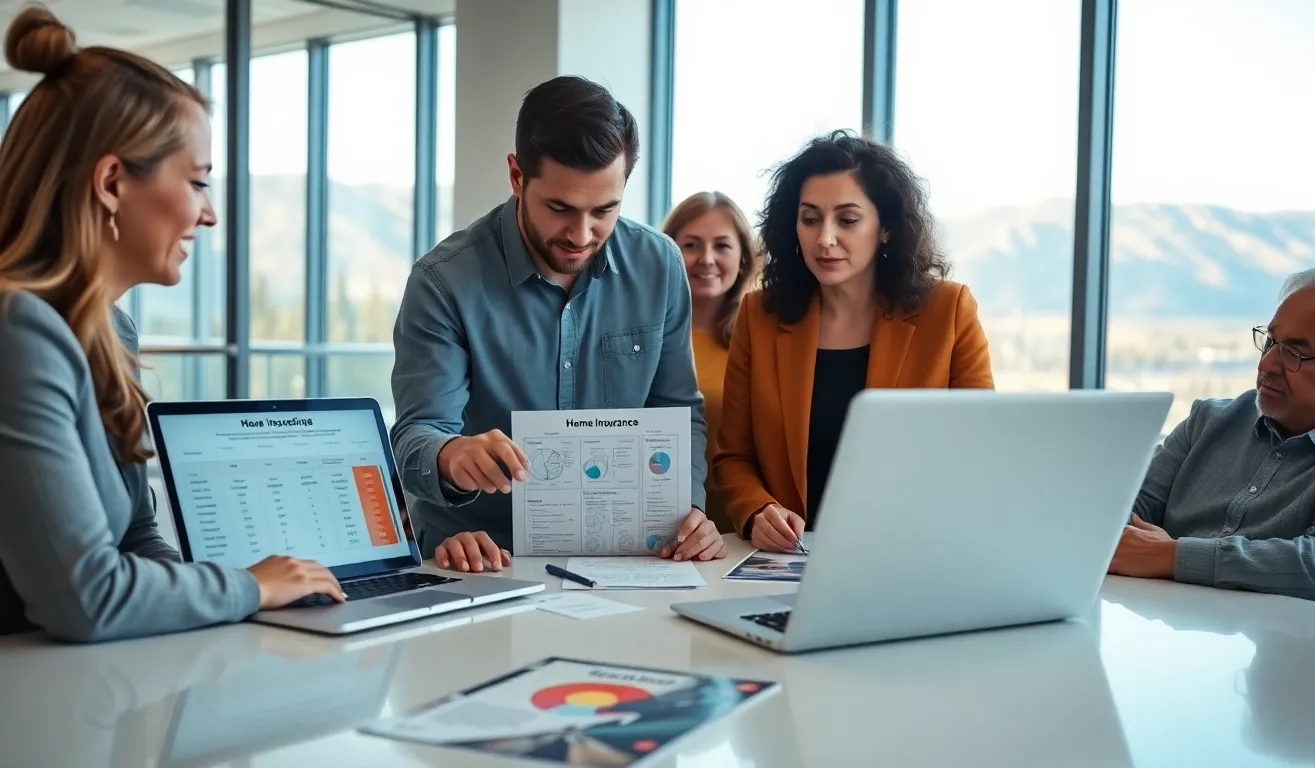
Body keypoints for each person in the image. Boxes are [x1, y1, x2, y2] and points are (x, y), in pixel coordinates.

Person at [0, 8, 345, 642]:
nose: (208, 215)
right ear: (111, 183)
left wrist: (238, 620)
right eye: (196, 182)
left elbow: (134, 534)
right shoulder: (16, 332)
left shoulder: (109, 329)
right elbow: (85, 596)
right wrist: (249, 585)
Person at [391, 76, 726, 572]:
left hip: (627, 560)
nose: (581, 234)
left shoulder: (659, 265)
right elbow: (417, 434)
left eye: (604, 210)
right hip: (479, 558)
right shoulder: (444, 282)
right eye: (560, 208)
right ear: (516, 176)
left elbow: (677, 412)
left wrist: (690, 506)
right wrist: (452, 456)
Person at [713, 130, 995, 553]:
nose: (825, 238)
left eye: (847, 220)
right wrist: (757, 510)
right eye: (810, 219)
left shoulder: (949, 311)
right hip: (790, 561)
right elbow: (733, 456)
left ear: (885, 228)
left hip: (913, 552)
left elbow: (981, 449)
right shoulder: (759, 316)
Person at [1110, 267, 1315, 605]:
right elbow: (1122, 514)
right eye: (1270, 341)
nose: (1266, 364)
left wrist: (1169, 556)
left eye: (1294, 353)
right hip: (1160, 633)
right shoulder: (1209, 420)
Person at [660, 191, 760, 532]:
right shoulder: (642, 341)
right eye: (690, 245)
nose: (706, 259)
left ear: (744, 258)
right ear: (667, 253)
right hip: (662, 527)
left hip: (744, 527)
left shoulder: (761, 341)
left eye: (722, 246)